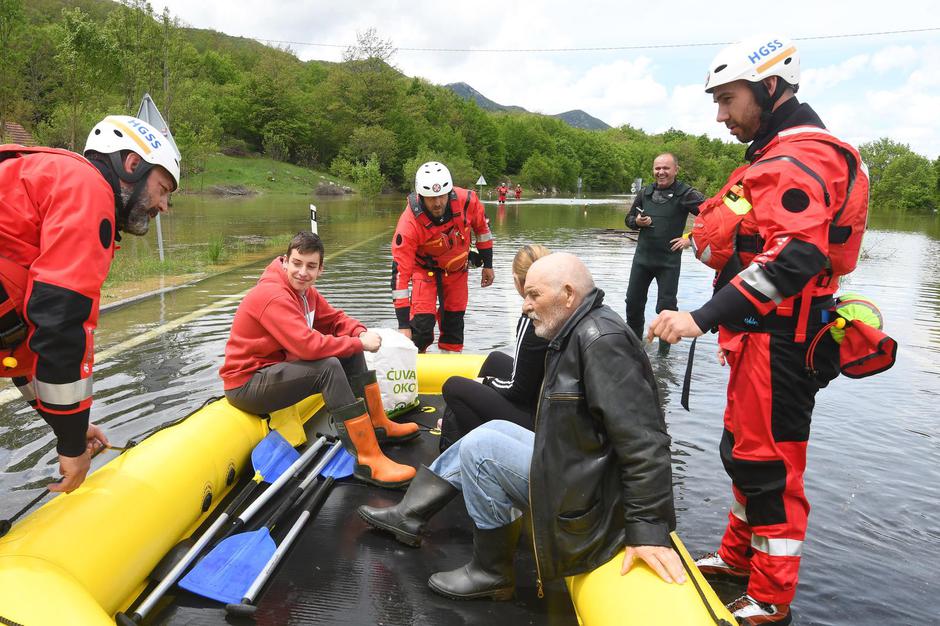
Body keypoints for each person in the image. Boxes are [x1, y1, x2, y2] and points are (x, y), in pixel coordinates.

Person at [649, 35, 869, 625]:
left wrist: (698, 318)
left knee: (770, 467)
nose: (719, 116)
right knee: (742, 453)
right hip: (756, 339)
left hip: (784, 343)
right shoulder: (773, 155)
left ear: (769, 89)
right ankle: (737, 556)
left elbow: (795, 259)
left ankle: (771, 596)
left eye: (727, 100)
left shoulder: (803, 156)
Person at [360, 252, 683, 600]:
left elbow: (645, 441)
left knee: (481, 451)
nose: (525, 306)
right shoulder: (578, 328)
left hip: (592, 497)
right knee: (489, 432)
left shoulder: (601, 343)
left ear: (569, 294)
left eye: (534, 295)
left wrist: (648, 529)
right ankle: (410, 515)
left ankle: (491, 571)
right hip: (579, 469)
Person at [0, 115, 180, 493]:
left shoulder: (57, 182)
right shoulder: (88, 189)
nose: (164, 206)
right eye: (163, 189)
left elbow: (26, 344)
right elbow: (62, 323)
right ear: (132, 165)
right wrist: (69, 445)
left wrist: (73, 428)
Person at [221, 231, 418, 488]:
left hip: (274, 371)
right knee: (328, 366)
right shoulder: (272, 295)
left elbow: (335, 320)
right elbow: (307, 347)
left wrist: (359, 332)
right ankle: (368, 459)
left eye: (311, 266)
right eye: (297, 263)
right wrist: (358, 342)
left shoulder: (305, 293)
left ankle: (377, 425)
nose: (303, 272)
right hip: (247, 384)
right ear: (284, 262)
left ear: (320, 269)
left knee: (349, 351)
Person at [437, 244, 551, 451]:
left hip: (542, 421)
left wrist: (486, 382)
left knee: (453, 386)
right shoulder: (555, 305)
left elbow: (518, 391)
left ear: (517, 280)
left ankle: (479, 449)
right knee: (495, 359)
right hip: (548, 397)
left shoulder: (532, 317)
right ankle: (458, 424)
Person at [391, 161, 494, 353]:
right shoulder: (409, 223)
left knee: (453, 324)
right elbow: (400, 277)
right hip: (424, 271)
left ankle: (451, 368)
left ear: (449, 192)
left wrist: (488, 264)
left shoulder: (468, 202)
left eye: (441, 196)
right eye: (431, 198)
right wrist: (403, 325)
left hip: (457, 271)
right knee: (421, 329)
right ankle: (415, 362)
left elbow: (483, 231)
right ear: (421, 196)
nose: (437, 203)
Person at [624, 153, 704, 355]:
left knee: (666, 309)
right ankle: (634, 351)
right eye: (657, 168)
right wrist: (637, 222)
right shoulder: (645, 192)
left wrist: (691, 238)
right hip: (642, 259)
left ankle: (663, 356)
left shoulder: (685, 193)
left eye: (666, 168)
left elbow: (713, 214)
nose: (661, 172)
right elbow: (629, 218)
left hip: (668, 262)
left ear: (676, 169)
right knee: (633, 303)